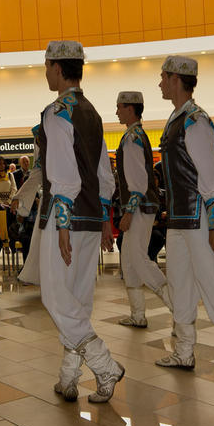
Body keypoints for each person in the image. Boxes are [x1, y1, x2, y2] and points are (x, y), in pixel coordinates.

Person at [37, 40, 124, 404]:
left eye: (46, 66)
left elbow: (64, 176)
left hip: (67, 219)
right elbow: (106, 176)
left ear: (57, 68)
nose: (45, 72)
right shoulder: (92, 112)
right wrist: (104, 218)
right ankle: (68, 378)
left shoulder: (58, 111)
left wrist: (61, 226)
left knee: (57, 297)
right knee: (77, 301)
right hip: (90, 217)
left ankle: (105, 366)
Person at [154, 56, 214, 396]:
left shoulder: (195, 121)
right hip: (179, 220)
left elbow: (210, 176)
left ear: (177, 79)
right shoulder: (177, 119)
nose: (160, 83)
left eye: (163, 77)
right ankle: (183, 352)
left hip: (198, 219)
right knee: (179, 286)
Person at [113, 90, 170, 329]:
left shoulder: (132, 138)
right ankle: (138, 314)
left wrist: (128, 212)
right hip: (143, 207)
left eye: (119, 106)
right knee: (128, 260)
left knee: (138, 258)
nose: (116, 111)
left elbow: (137, 182)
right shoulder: (136, 135)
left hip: (139, 208)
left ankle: (177, 306)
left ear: (129, 107)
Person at [10, 125, 43, 285]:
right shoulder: (42, 160)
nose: (39, 142)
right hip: (49, 205)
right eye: (37, 140)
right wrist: (18, 197)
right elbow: (33, 179)